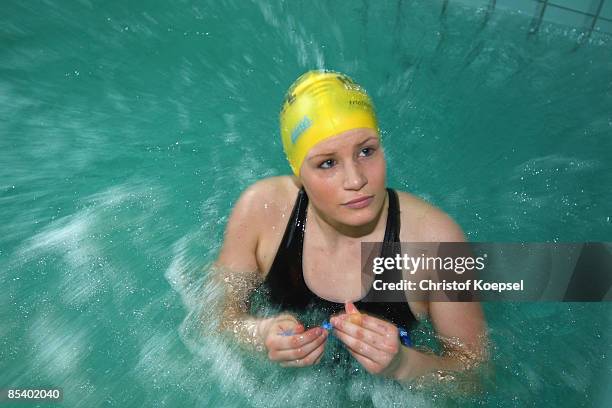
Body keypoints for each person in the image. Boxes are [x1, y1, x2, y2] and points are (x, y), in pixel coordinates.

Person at [215, 70, 487, 381]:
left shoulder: (436, 241)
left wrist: (404, 365)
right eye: (327, 163)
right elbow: (216, 319)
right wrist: (258, 334)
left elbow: (475, 376)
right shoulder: (260, 212)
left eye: (366, 151)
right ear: (298, 173)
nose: (356, 179)